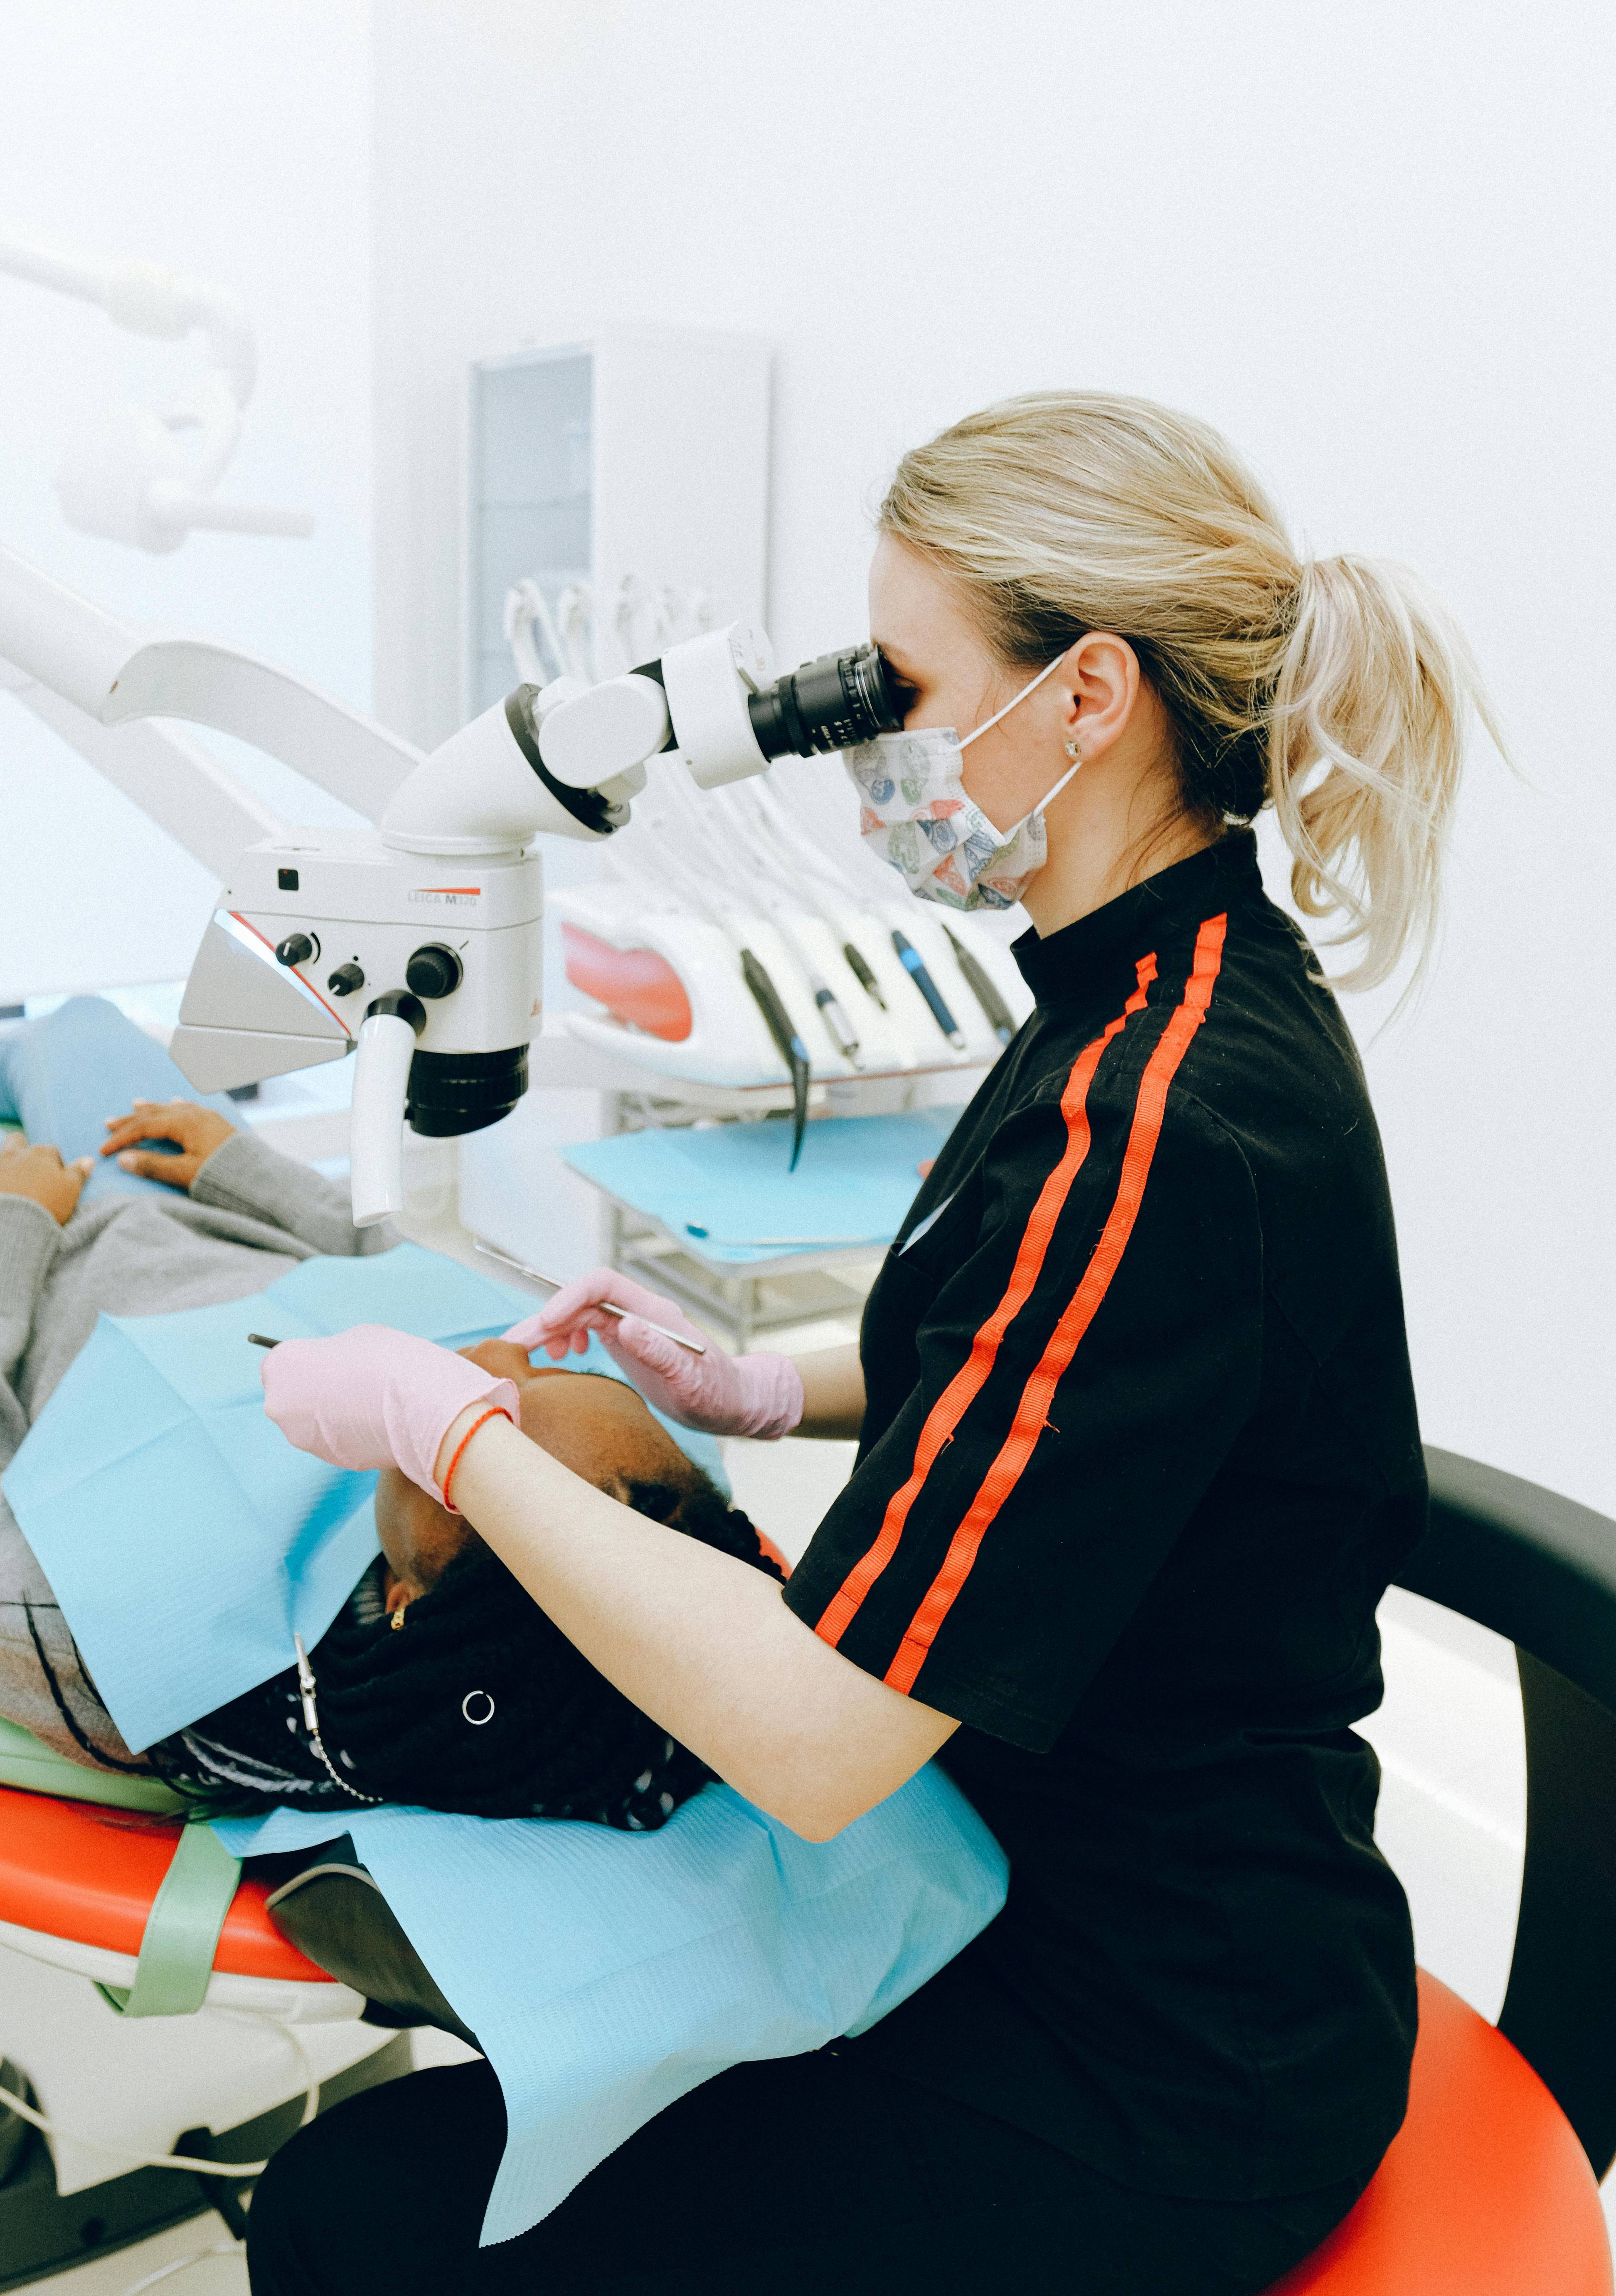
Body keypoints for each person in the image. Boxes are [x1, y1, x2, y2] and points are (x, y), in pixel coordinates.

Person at [249, 391, 1496, 2296]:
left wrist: (451, 1429)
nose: (865, 757)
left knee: (362, 2225)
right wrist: (771, 1381)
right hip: (1010, 1884)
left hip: (1152, 2046)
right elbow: (1046, 1359)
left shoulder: (1158, 1111)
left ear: (1085, 698)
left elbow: (821, 1737)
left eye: (892, 694)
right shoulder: (1139, 982)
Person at [0, 1000, 777, 1825]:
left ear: (407, 1599)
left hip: (52, 1259)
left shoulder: (110, 1641)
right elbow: (409, 1277)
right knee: (79, 1027)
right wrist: (246, 1171)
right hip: (211, 1202)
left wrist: (20, 1221)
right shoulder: (661, 1504)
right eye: (549, 1372)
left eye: (471, 1416)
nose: (495, 1354)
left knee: (64, 1037)